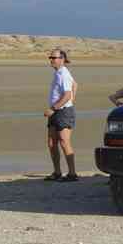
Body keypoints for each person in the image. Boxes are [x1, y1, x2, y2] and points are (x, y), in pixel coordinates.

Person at [44, 49, 78, 182]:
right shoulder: (59, 73)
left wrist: (54, 108)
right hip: (57, 111)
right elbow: (75, 85)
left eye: (54, 57)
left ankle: (72, 173)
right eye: (50, 57)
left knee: (64, 142)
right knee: (52, 142)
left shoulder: (63, 73)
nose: (51, 59)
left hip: (63, 112)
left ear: (62, 59)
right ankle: (57, 172)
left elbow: (67, 94)